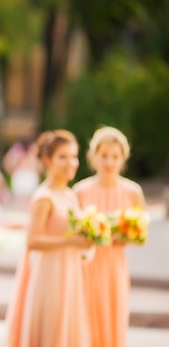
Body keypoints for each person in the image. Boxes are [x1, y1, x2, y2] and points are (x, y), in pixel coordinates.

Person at [5, 129, 93, 347]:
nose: (70, 162)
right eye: (63, 157)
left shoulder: (70, 195)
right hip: (50, 273)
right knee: (52, 327)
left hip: (70, 269)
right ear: (47, 160)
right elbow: (33, 241)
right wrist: (72, 242)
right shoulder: (44, 197)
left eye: (73, 156)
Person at [73, 126, 145, 347]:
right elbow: (72, 232)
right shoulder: (80, 191)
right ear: (94, 156)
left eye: (115, 156)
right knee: (86, 320)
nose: (109, 162)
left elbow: (140, 235)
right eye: (104, 156)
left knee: (114, 319)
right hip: (86, 266)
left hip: (115, 267)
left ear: (123, 158)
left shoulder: (133, 192)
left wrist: (126, 238)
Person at [3, 138, 42, 211]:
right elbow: (8, 162)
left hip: (30, 174)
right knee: (20, 197)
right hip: (21, 174)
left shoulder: (33, 149)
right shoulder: (16, 149)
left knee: (30, 196)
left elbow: (38, 163)